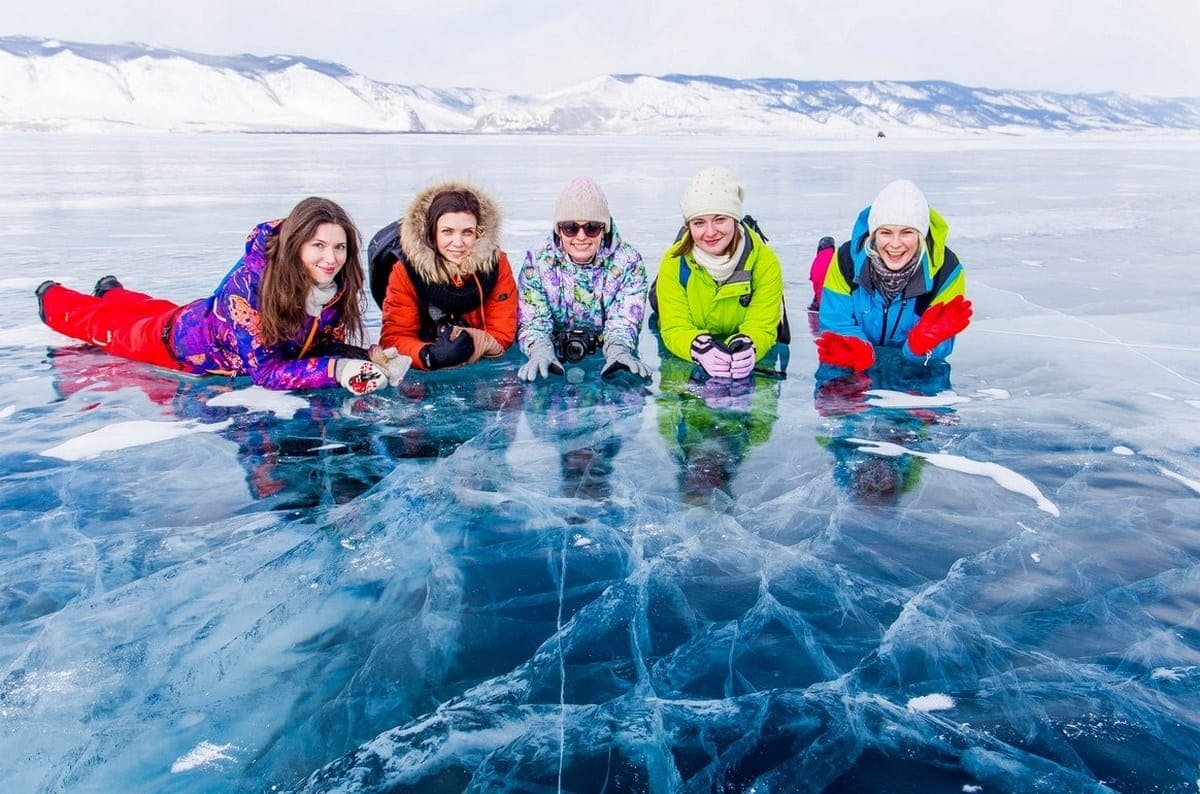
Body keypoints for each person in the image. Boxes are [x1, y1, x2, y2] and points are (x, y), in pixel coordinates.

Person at [35, 197, 406, 395]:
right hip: (179, 344)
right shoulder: (250, 288)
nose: (331, 258)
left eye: (339, 247)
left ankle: (113, 292)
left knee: (149, 309)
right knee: (109, 328)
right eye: (319, 246)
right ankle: (52, 299)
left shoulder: (332, 285)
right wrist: (338, 370)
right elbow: (266, 372)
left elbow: (320, 342)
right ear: (295, 246)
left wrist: (367, 356)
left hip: (202, 318)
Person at [816, 179, 972, 371]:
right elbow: (835, 321)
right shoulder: (845, 261)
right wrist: (858, 349)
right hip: (856, 367)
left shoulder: (946, 271)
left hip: (919, 370)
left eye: (907, 232)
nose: (895, 244)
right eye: (886, 232)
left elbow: (943, 336)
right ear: (873, 234)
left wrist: (921, 346)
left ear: (920, 235)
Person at [369, 182, 517, 372]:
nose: (458, 243)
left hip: (478, 357)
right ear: (432, 234)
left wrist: (470, 342)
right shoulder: (405, 270)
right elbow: (394, 336)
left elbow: (503, 332)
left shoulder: (497, 264)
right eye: (447, 232)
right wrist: (429, 356)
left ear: (479, 234)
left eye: (467, 233)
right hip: (426, 349)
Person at [654, 167, 785, 380]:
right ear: (689, 226)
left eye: (720, 219)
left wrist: (750, 344)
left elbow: (762, 324)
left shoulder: (765, 262)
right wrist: (696, 348)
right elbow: (674, 326)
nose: (710, 232)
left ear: (734, 218)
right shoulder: (673, 262)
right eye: (699, 223)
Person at [517, 177, 649, 381]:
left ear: (604, 229)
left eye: (592, 227)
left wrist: (618, 349)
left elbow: (624, 319)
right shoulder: (537, 260)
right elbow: (533, 320)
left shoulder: (629, 262)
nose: (581, 236)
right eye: (570, 227)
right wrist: (540, 349)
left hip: (605, 353)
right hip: (554, 354)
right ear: (558, 229)